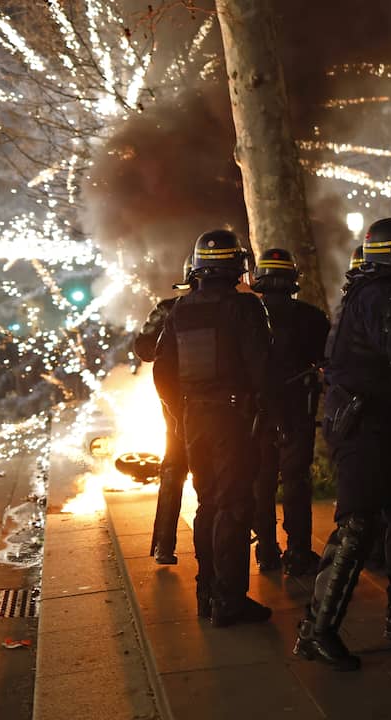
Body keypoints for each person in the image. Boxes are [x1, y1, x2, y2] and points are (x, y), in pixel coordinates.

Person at [294, 217, 391, 672]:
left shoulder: (370, 290)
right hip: (364, 428)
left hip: (373, 423)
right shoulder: (386, 295)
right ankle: (316, 631)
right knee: (357, 526)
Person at [153, 229, 273, 627]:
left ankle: (206, 591)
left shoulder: (181, 310)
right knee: (235, 504)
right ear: (236, 265)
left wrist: (180, 410)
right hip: (232, 420)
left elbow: (162, 371)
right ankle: (230, 601)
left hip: (193, 419)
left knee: (206, 504)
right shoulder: (245, 308)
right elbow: (262, 370)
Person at [249, 248, 329, 576]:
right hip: (297, 411)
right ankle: (298, 552)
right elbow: (329, 360)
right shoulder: (311, 316)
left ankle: (266, 550)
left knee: (261, 482)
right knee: (296, 480)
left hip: (256, 413)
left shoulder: (247, 314)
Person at [136, 258, 193, 565]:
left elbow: (143, 348)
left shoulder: (169, 309)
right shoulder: (241, 307)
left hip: (177, 400)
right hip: (217, 403)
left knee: (174, 465)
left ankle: (164, 545)